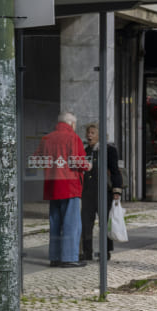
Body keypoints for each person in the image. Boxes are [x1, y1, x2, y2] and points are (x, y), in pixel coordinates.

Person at [33, 112, 92, 268]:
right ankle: (69, 258)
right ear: (72, 124)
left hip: (52, 186)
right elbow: (77, 161)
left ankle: (55, 257)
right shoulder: (73, 138)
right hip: (70, 185)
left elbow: (37, 159)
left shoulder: (47, 138)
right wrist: (88, 165)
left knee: (55, 222)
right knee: (71, 223)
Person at [80, 123, 124, 262]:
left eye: (92, 133)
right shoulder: (85, 150)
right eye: (88, 133)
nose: (89, 135)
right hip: (87, 193)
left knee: (104, 223)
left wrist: (117, 190)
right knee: (86, 223)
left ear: (99, 135)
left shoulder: (109, 150)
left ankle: (105, 251)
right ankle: (87, 252)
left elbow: (115, 171)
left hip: (103, 192)